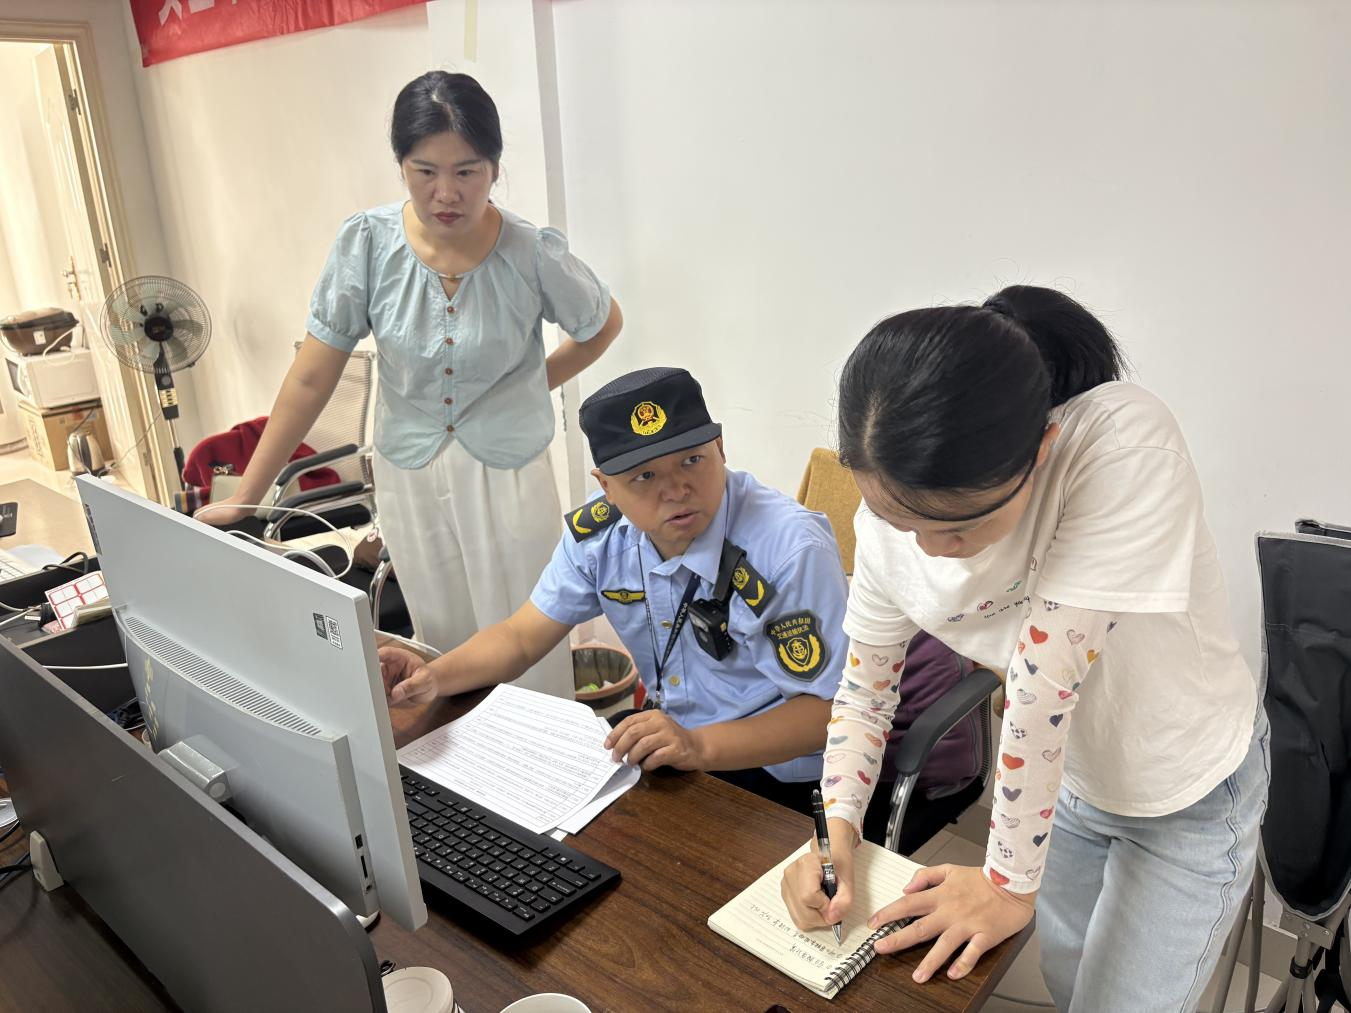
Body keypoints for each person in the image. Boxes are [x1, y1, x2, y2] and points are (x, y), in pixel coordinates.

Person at [781, 286, 1267, 1012]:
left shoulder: (1119, 444)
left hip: (1184, 785)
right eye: (899, 521)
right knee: (1069, 983)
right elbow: (864, 693)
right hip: (1070, 780)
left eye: (956, 526)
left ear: (1039, 451)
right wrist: (833, 836)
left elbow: (1043, 683)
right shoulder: (890, 518)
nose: (929, 549)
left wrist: (1006, 885)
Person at [200, 72, 622, 697]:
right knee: (438, 649)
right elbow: (313, 375)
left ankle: (538, 757)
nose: (446, 193)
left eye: (467, 171)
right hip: (410, 474)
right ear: (401, 165)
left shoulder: (530, 252)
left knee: (529, 648)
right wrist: (247, 497)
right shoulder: (368, 245)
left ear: (495, 167)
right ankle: (461, 760)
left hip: (508, 473)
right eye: (425, 171)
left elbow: (600, 324)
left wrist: (529, 387)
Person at [378, 366, 851, 808]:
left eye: (692, 460)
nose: (676, 489)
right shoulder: (602, 537)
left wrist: (698, 746)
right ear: (606, 486)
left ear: (721, 448)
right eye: (644, 475)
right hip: (675, 742)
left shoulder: (789, 548)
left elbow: (830, 713)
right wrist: (433, 677)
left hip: (781, 771)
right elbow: (520, 637)